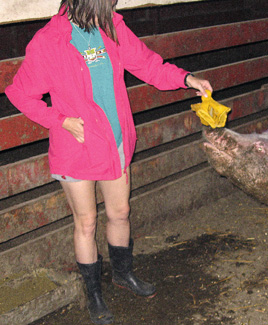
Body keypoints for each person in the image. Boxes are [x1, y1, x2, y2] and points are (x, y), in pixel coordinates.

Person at [5, 0, 212, 324]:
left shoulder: (111, 27)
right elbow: (20, 93)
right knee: (86, 223)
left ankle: (122, 273)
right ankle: (95, 295)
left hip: (114, 141)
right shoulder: (50, 40)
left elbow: (148, 65)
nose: (113, 2)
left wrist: (188, 79)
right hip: (77, 147)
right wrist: (59, 119)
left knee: (120, 212)